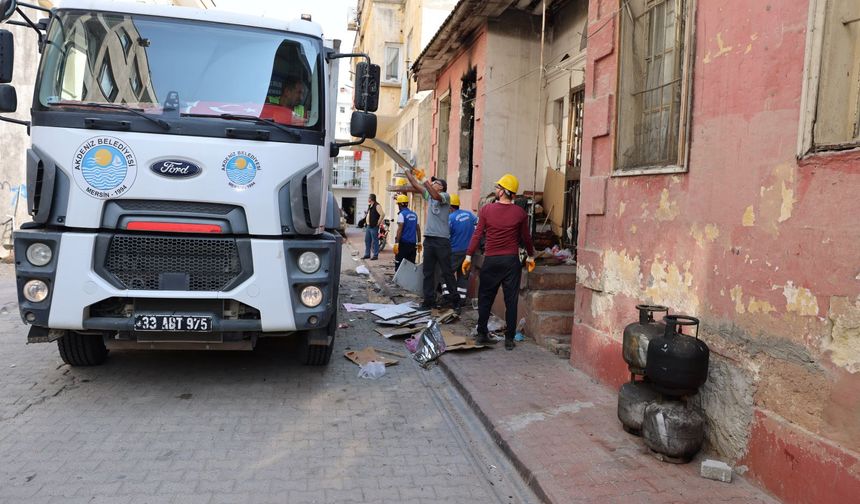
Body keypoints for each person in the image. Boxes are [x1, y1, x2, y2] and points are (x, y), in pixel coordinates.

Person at [462, 174, 535, 350]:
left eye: (498, 187)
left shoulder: (487, 210)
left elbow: (477, 234)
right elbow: (526, 237)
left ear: (503, 191)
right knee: (511, 300)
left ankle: (481, 334)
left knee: (485, 298)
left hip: (491, 260)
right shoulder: (520, 213)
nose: (495, 190)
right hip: (511, 262)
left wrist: (468, 256)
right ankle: (509, 340)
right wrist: (531, 256)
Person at [402, 169, 460, 311]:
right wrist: (408, 173)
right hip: (429, 240)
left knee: (446, 272)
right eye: (432, 182)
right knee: (428, 272)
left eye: (436, 183)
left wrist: (425, 180)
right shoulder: (429, 196)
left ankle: (455, 300)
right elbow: (416, 186)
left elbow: (434, 195)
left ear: (442, 187)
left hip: (442, 241)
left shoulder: (445, 197)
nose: (433, 184)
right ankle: (429, 301)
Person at [448, 194, 477, 304]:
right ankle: (462, 299)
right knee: (463, 275)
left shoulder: (450, 218)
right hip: (469, 252)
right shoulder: (469, 214)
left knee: (447, 273)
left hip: (455, 251)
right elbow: (478, 224)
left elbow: (447, 234)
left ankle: (450, 296)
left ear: (450, 207)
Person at [393, 194, 421, 272]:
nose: (398, 206)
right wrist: (419, 242)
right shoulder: (414, 214)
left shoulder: (402, 214)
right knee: (410, 265)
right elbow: (418, 229)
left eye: (398, 204)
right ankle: (408, 282)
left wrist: (396, 243)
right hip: (412, 244)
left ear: (401, 204)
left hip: (403, 244)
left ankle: (399, 282)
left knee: (399, 264)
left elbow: (400, 230)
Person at [363, 194, 385, 260]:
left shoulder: (377, 205)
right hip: (368, 226)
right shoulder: (370, 206)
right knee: (367, 240)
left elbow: (382, 214)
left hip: (374, 226)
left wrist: (378, 222)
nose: (368, 199)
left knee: (375, 241)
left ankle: (375, 255)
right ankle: (367, 254)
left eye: (369, 198)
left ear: (371, 198)